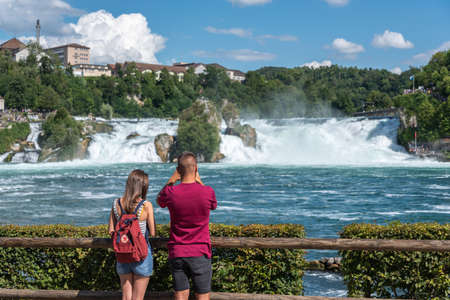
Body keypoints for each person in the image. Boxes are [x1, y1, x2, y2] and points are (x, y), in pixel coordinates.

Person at [157, 152, 217, 300]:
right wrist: (200, 181)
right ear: (196, 168)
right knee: (203, 296)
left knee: (181, 295)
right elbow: (213, 205)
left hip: (178, 251)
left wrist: (171, 180)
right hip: (200, 250)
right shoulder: (208, 191)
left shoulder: (170, 192)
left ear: (178, 169)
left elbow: (159, 200)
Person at [108, 169, 156, 300]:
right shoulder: (146, 205)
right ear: (143, 186)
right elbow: (152, 232)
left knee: (126, 297)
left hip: (122, 254)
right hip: (141, 255)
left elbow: (111, 230)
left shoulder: (116, 203)